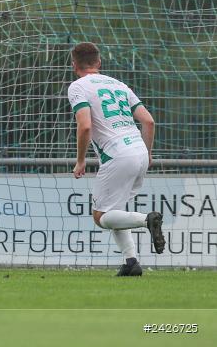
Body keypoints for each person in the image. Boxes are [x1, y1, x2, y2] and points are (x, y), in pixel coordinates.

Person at [68, 42, 165, 276]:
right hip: (139, 151)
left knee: (101, 217)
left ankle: (147, 220)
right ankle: (131, 262)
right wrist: (148, 153)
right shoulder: (119, 84)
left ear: (74, 65)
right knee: (115, 211)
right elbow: (148, 121)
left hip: (117, 155)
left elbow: (85, 126)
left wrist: (80, 160)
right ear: (99, 62)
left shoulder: (78, 86)